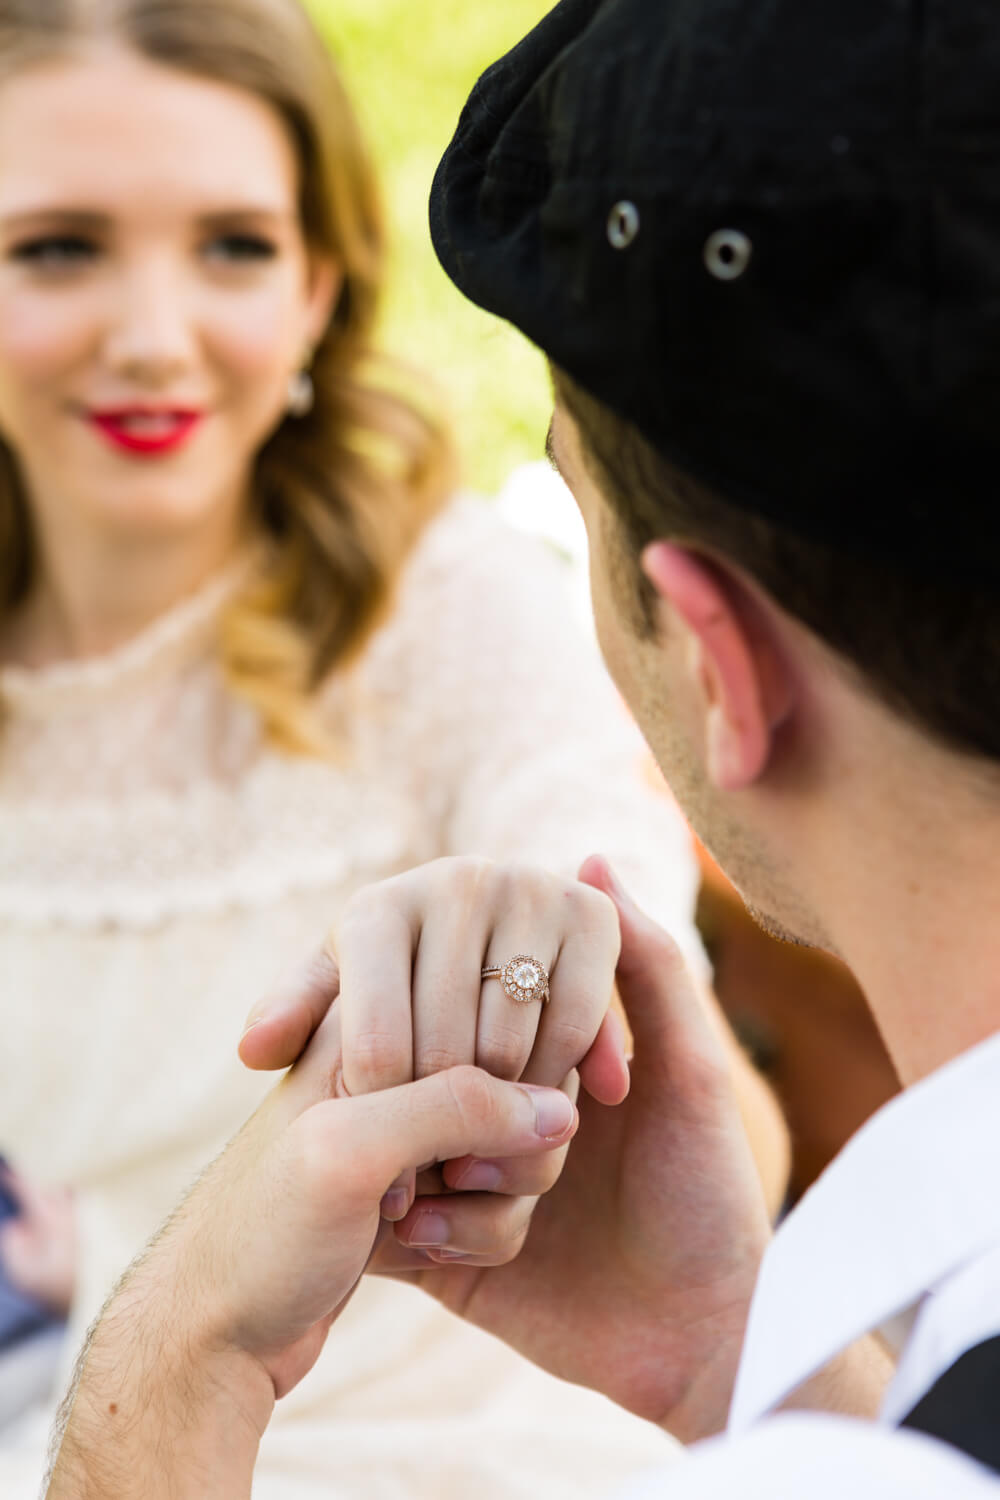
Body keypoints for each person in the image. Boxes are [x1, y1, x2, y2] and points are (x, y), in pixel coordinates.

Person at [47, 0, 1000, 1492]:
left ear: (711, 660)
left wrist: (181, 1352)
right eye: (58, 245)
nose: (154, 333)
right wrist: (728, 1349)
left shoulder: (452, 623)